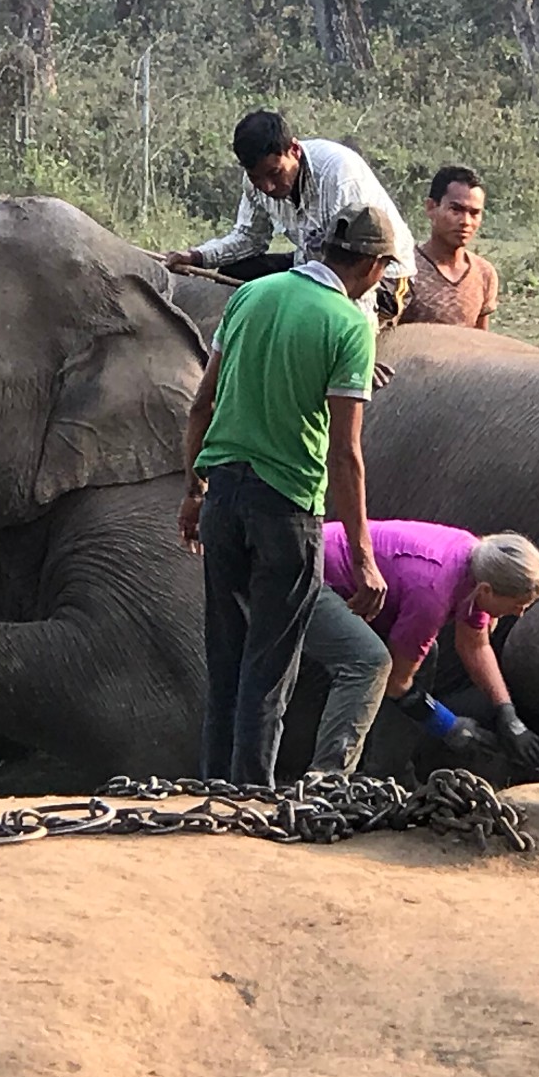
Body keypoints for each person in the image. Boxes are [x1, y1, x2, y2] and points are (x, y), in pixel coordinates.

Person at [178, 204, 397, 786]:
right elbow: (346, 453)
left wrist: (193, 490)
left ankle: (212, 786)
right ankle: (251, 796)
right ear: (373, 266)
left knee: (225, 654)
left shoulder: (251, 296)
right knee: (271, 664)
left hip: (222, 496)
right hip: (287, 505)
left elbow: (202, 402)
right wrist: (364, 556)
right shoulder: (350, 325)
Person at [300, 520, 539, 774]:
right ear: (487, 590)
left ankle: (386, 774)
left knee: (424, 657)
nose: (519, 614)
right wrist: (448, 726)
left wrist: (507, 714)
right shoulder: (433, 593)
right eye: (518, 604)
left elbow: (475, 645)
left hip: (361, 589)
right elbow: (396, 683)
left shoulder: (478, 566)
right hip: (309, 571)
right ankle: (328, 779)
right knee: (369, 663)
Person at [162, 110, 416, 322]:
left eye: (275, 174)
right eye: (256, 178)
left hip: (379, 274)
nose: (267, 187)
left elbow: (360, 264)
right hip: (311, 263)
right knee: (236, 273)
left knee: (308, 310)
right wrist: (197, 257)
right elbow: (250, 238)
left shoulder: (340, 177)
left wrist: (360, 344)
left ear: (294, 149)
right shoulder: (255, 184)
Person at [405, 166, 499, 330]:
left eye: (474, 213)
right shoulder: (406, 269)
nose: (466, 222)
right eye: (456, 209)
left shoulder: (484, 273)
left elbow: (483, 342)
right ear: (431, 207)